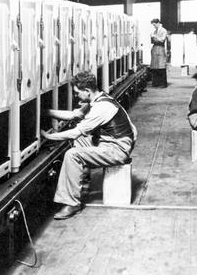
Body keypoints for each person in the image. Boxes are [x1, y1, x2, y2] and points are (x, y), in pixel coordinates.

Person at [41, 71, 137, 220]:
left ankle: (72, 203)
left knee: (72, 154)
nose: (75, 96)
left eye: (77, 92)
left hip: (117, 149)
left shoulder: (101, 108)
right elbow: (74, 115)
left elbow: (75, 132)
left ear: (87, 91)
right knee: (78, 142)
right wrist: (45, 112)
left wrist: (49, 137)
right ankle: (82, 185)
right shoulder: (99, 97)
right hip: (111, 142)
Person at [149, 18, 168, 88]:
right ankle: (156, 83)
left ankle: (163, 83)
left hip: (160, 49)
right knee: (155, 67)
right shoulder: (155, 31)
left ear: (158, 23)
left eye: (154, 25)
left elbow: (162, 40)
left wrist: (154, 37)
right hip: (155, 49)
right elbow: (152, 41)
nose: (154, 26)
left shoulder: (163, 30)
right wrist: (153, 38)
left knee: (161, 67)